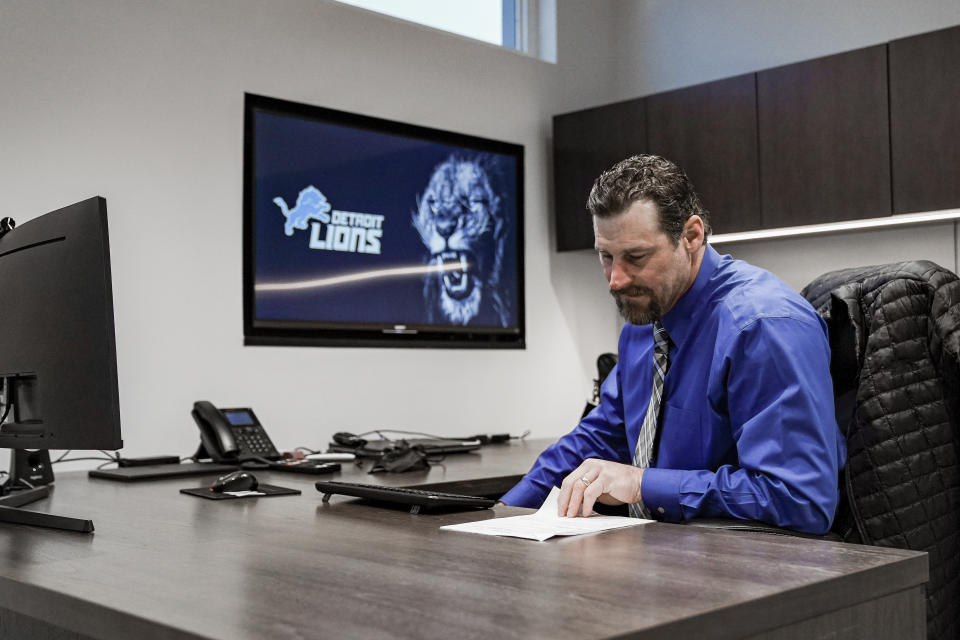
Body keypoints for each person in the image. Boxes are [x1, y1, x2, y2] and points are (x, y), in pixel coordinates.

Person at [500, 155, 845, 535]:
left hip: (755, 566)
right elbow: (601, 435)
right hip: (664, 553)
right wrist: (507, 510)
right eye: (606, 256)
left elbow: (801, 498)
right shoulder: (645, 318)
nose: (615, 280)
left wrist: (641, 484)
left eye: (635, 257)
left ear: (692, 236)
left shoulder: (763, 326)